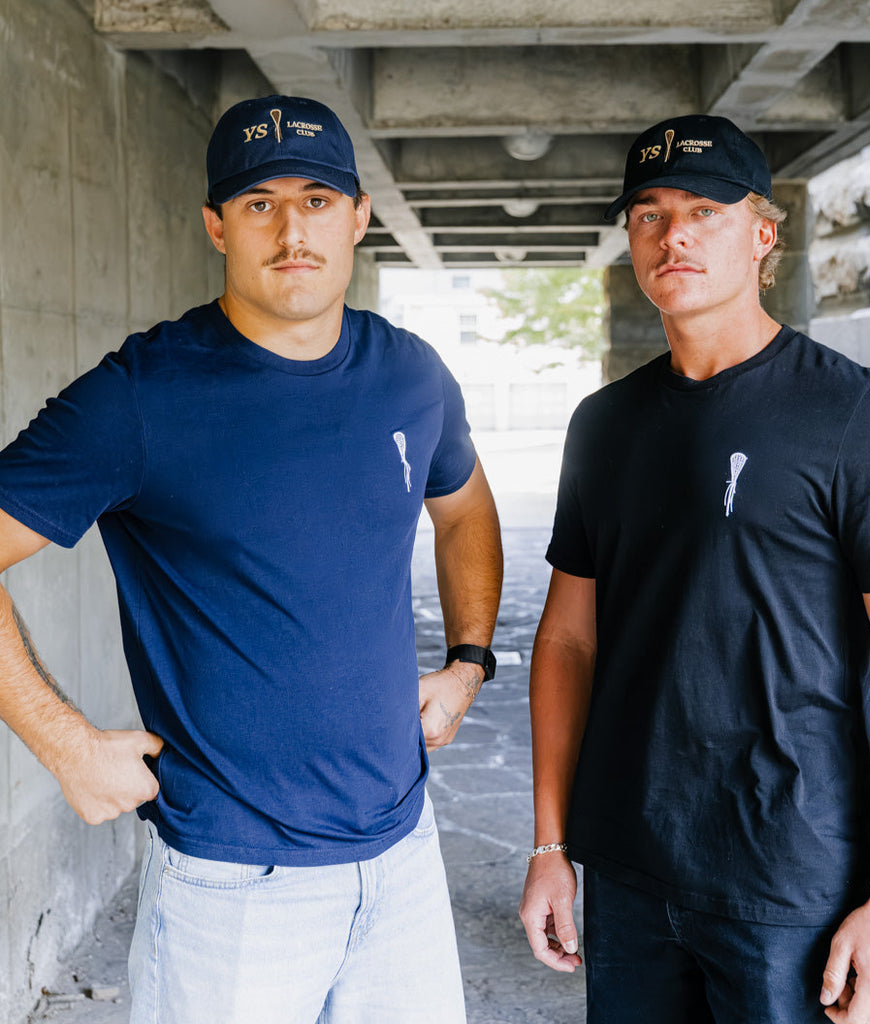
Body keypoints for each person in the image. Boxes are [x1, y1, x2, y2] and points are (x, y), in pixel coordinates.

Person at [0, 94, 502, 1023]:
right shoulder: (141, 397)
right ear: (216, 225)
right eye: (259, 202)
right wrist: (62, 743)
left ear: (358, 215)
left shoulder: (411, 373)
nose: (291, 230)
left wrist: (468, 661)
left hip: (402, 859)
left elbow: (464, 506)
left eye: (317, 200)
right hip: (231, 888)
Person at [519, 113, 870, 1024]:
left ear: (762, 235)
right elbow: (567, 641)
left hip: (790, 880)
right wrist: (550, 846)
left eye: (705, 211)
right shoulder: (603, 426)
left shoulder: (860, 417)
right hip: (629, 867)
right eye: (649, 214)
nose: (673, 235)